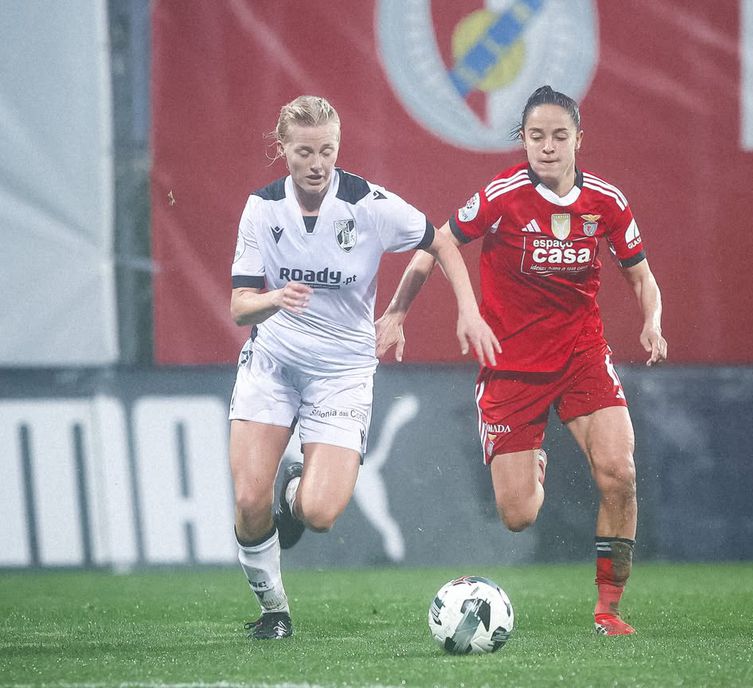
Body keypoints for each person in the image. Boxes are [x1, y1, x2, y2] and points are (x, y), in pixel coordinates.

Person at [376, 85, 667, 636]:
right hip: (511, 367)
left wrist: (652, 320)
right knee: (518, 516)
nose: (548, 147)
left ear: (579, 139)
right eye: (537, 136)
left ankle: (608, 607)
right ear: (524, 141)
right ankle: (531, 459)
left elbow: (641, 276)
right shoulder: (501, 196)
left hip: (582, 355)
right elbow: (435, 244)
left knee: (620, 472)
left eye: (560, 136)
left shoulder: (606, 201)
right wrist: (396, 312)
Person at [229, 95, 499, 640]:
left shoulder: (369, 205)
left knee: (319, 512)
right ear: (282, 150)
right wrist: (275, 299)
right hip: (274, 362)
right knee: (247, 500)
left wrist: (458, 310)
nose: (317, 163)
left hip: (344, 372)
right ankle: (275, 611)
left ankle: (294, 493)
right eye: (304, 151)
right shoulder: (262, 209)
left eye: (327, 150)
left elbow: (441, 240)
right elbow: (239, 306)